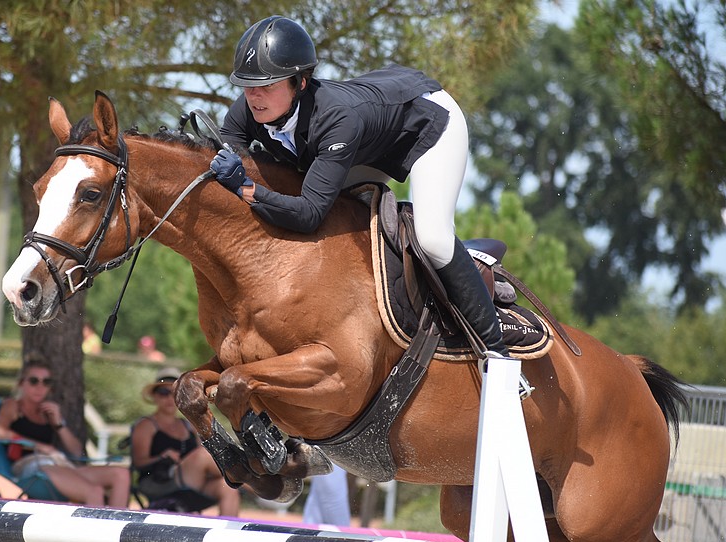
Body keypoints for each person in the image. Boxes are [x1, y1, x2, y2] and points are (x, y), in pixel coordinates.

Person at [210, 15, 508, 358]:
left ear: (300, 83)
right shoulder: (248, 110)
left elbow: (307, 214)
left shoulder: (337, 120)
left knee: (433, 238)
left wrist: (246, 188)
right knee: (339, 222)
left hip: (426, 125)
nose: (254, 96)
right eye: (248, 85)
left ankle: (496, 353)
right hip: (368, 138)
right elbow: (232, 148)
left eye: (268, 85)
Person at [0, 353, 130, 507]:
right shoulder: (13, 405)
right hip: (32, 468)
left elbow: (77, 451)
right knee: (94, 491)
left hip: (57, 464)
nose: (40, 387)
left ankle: (119, 528)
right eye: (33, 381)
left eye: (46, 382)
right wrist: (42, 446)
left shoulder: (48, 412)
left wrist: (59, 423)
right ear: (21, 383)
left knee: (121, 474)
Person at [131, 370, 241, 516]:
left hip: (192, 480)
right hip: (159, 481)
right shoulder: (147, 425)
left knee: (229, 489)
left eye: (174, 393)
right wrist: (163, 457)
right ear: (155, 396)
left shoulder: (188, 425)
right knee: (203, 455)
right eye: (164, 392)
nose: (169, 398)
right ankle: (249, 478)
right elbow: (138, 463)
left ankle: (228, 537)